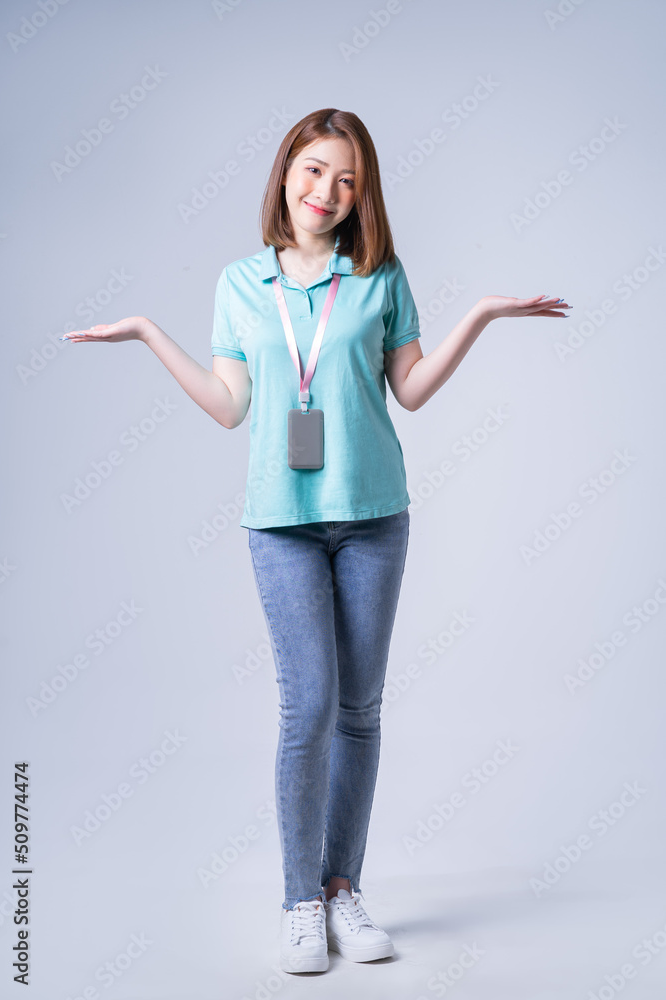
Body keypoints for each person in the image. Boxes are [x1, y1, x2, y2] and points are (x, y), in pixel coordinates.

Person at [60, 107, 570, 975]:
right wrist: (149, 333)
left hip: (373, 516)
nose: (326, 192)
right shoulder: (238, 284)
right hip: (282, 526)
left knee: (360, 712)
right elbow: (230, 407)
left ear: (360, 194)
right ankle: (300, 900)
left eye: (346, 179)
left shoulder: (379, 275)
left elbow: (408, 391)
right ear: (284, 174)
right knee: (309, 709)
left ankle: (344, 889)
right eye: (312, 171)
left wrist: (479, 314)